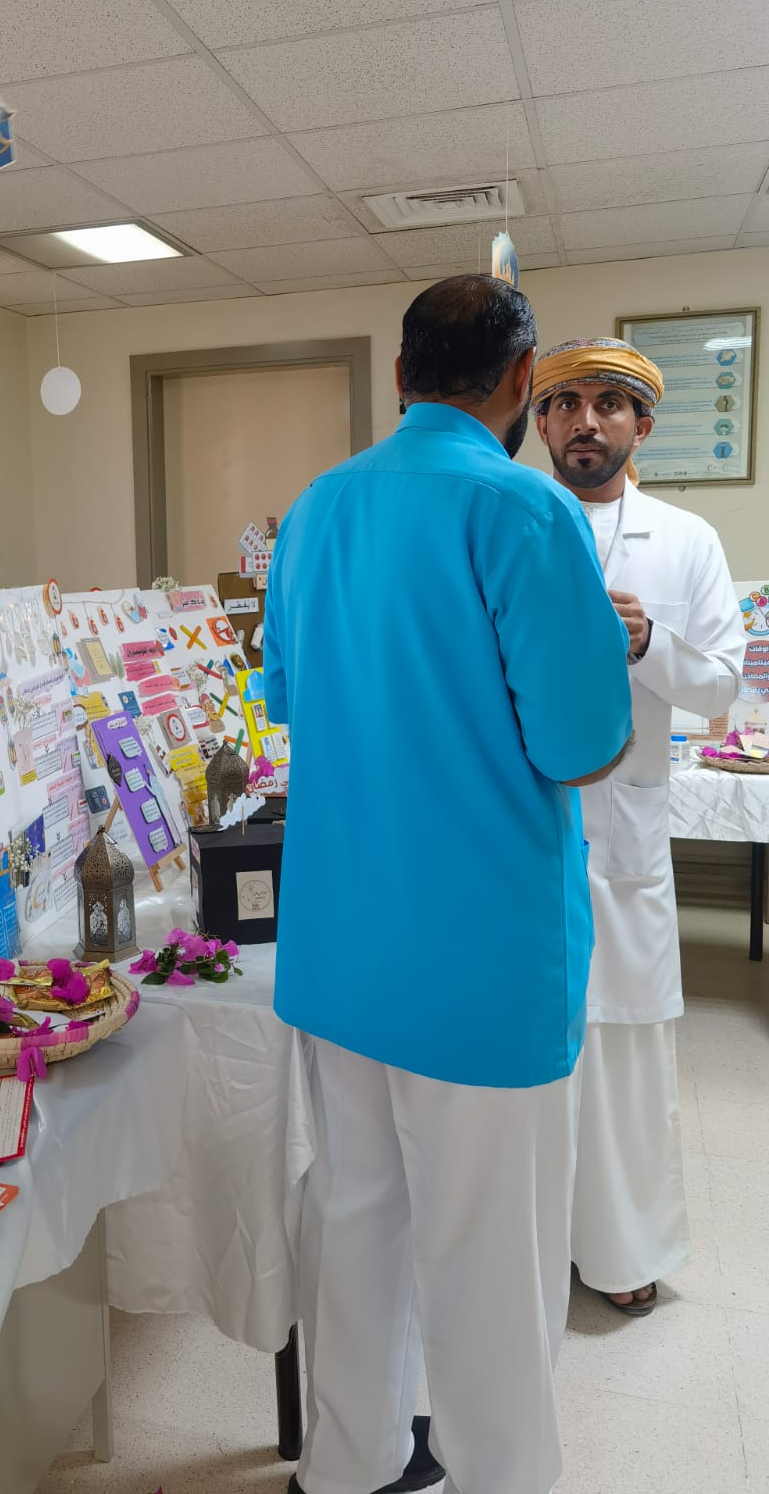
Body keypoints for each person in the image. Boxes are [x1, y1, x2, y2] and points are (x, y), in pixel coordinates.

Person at [263, 275, 633, 1494]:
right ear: (523, 382)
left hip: (341, 947)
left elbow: (288, 699)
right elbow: (581, 746)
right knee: (490, 1250)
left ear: (401, 375)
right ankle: (498, 1474)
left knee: (357, 1215)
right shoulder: (526, 512)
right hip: (479, 961)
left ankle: (351, 1462)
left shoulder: (315, 510)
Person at [533, 338, 746, 1314]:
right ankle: (530, 1250)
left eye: (609, 404)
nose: (587, 420)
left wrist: (648, 639)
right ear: (540, 422)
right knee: (527, 1053)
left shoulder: (686, 540)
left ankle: (620, 1252)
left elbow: (721, 688)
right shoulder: (508, 522)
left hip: (622, 839)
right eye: (566, 402)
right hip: (517, 835)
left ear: (642, 425)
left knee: (619, 1052)